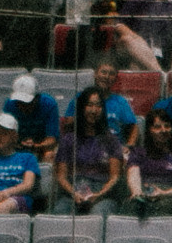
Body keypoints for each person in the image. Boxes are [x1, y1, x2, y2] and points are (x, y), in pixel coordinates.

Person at [54, 88, 127, 218]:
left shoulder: (111, 140)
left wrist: (99, 195)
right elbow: (61, 176)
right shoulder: (68, 139)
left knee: (97, 214)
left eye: (98, 106)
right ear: (82, 108)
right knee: (60, 211)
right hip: (73, 191)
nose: (94, 110)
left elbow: (115, 176)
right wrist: (74, 193)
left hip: (102, 194)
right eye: (90, 105)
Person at [125, 107, 172, 219]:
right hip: (144, 193)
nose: (163, 130)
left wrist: (163, 193)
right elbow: (133, 176)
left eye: (167, 126)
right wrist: (138, 193)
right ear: (149, 130)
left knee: (162, 207)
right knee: (132, 206)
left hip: (170, 196)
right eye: (157, 127)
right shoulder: (138, 153)